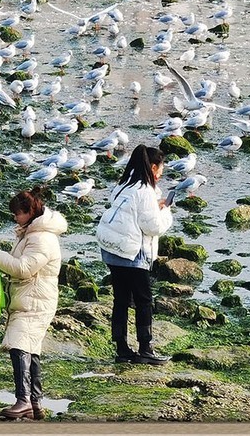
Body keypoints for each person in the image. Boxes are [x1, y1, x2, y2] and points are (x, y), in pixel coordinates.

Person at [0, 187, 66, 420]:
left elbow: (23, 269)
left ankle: (23, 401)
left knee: (19, 346)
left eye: (17, 213)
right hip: (32, 298)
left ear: (29, 212)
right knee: (31, 349)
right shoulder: (32, 233)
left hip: (34, 300)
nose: (14, 218)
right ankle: (35, 402)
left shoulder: (42, 238)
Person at [100, 144, 173, 365]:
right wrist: (166, 210)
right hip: (133, 253)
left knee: (120, 299)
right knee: (143, 300)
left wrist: (154, 205)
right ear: (153, 167)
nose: (161, 173)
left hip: (112, 250)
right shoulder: (145, 191)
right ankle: (145, 349)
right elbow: (153, 227)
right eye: (161, 169)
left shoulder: (123, 185)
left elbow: (129, 213)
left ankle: (122, 349)